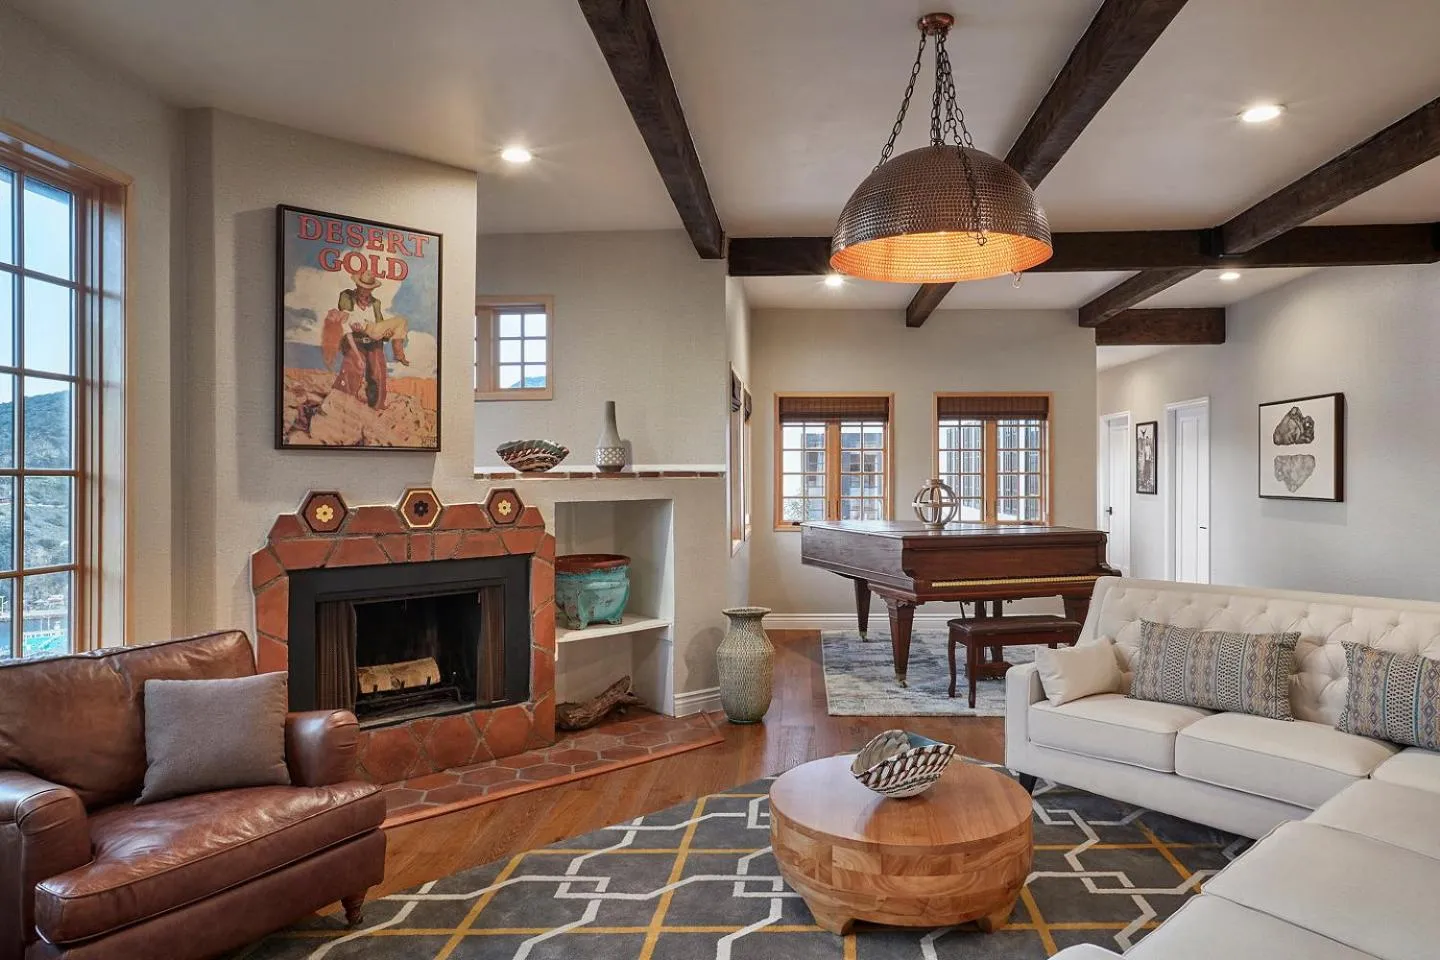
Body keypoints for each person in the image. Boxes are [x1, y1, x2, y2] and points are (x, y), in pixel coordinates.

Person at [321, 270, 410, 409]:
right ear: (357, 285)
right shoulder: (347, 297)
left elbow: (379, 324)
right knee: (354, 364)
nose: (364, 291)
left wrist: (385, 334)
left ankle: (377, 406)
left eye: (368, 289)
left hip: (373, 340)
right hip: (356, 340)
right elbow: (346, 323)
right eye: (362, 287)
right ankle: (341, 402)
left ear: (372, 289)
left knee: (378, 371)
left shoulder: (376, 303)